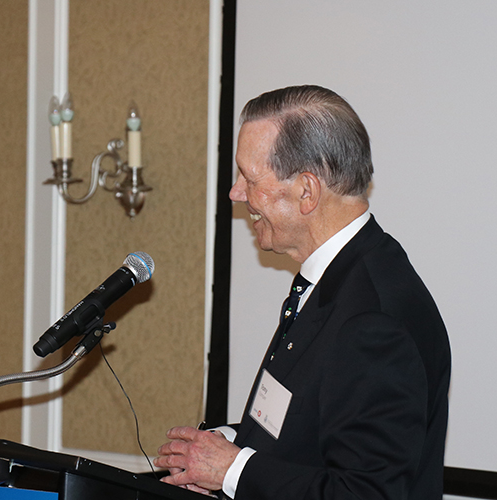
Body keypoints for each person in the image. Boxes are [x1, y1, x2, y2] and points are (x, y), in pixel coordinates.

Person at [154, 85, 451, 499]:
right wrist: (226, 445)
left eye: (249, 177)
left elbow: (367, 493)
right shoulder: (337, 276)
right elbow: (306, 429)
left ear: (307, 192)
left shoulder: (374, 320)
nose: (236, 193)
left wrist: (232, 471)